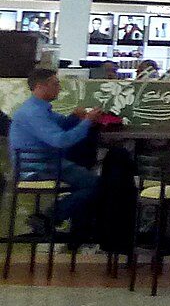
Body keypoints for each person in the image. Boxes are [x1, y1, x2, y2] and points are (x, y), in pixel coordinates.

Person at [6, 67, 104, 235]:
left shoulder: (38, 109)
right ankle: (50, 218)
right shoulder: (33, 113)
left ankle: (64, 223)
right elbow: (60, 140)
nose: (59, 88)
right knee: (97, 184)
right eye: (55, 84)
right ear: (40, 86)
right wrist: (87, 122)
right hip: (38, 168)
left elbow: (60, 125)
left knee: (87, 178)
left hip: (44, 164)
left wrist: (74, 117)